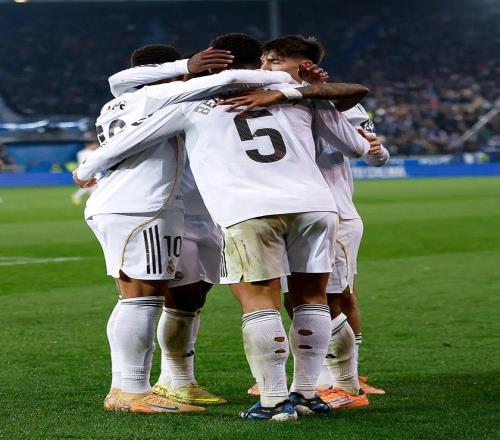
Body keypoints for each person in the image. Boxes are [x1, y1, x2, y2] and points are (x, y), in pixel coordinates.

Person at [75, 33, 372, 421]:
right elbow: (359, 144)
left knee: (259, 300)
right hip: (317, 206)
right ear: (259, 61)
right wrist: (297, 88)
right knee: (313, 298)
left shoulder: (191, 103)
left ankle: (274, 401)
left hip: (249, 209)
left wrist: (85, 169)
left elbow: (126, 139)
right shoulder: (296, 93)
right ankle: (308, 393)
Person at [76, 43, 267, 414]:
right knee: (141, 298)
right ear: (170, 72)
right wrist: (287, 84)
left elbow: (119, 80)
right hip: (144, 204)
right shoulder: (162, 96)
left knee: (149, 297)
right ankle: (131, 390)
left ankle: (144, 385)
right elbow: (227, 80)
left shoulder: (119, 102)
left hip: (132, 203)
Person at [239, 34, 388, 406]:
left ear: (303, 65)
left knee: (336, 297)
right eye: (264, 60)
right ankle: (316, 377)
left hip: (332, 210)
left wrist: (373, 146)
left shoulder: (334, 101)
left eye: (275, 61)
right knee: (297, 298)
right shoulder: (263, 99)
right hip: (285, 212)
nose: (265, 67)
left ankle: (346, 379)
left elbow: (374, 153)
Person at [106, 45, 234, 407]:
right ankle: (130, 389)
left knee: (189, 297)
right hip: (161, 206)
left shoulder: (141, 101)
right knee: (142, 297)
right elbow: (120, 79)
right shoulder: (155, 98)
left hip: (194, 210)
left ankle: (177, 379)